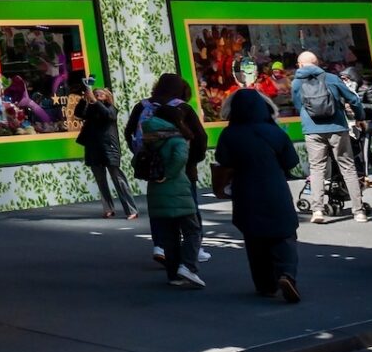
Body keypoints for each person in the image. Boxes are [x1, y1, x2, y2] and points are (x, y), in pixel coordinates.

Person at [212, 89, 302, 302]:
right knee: (285, 234)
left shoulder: (229, 134)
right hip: (275, 189)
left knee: (254, 239)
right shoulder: (275, 132)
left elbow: (223, 160)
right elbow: (291, 161)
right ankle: (287, 274)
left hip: (245, 191)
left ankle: (265, 285)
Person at [126, 74, 210, 265]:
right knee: (189, 208)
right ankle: (193, 250)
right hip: (184, 169)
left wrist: (141, 156)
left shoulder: (142, 106)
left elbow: (129, 131)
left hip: (153, 168)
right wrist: (193, 159)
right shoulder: (183, 107)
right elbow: (201, 137)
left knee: (158, 208)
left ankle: (160, 245)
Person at [291, 51, 369, 224]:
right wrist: (360, 117)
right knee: (348, 167)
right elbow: (353, 99)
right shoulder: (332, 78)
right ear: (317, 63)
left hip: (312, 130)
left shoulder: (297, 82)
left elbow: (298, 105)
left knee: (317, 169)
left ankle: (317, 210)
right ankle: (359, 211)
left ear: (301, 65)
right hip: (337, 128)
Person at [143, 109, 203, 289]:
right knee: (192, 230)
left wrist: (158, 176)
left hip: (156, 192)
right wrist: (168, 175)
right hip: (179, 191)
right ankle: (188, 266)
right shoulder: (176, 139)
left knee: (169, 236)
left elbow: (138, 161)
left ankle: (173, 274)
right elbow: (180, 158)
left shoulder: (149, 138)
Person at [76, 87, 137, 219]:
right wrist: (84, 99)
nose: (97, 96)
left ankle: (131, 209)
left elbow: (108, 115)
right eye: (95, 94)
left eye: (100, 95)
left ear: (107, 97)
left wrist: (94, 100)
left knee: (118, 178)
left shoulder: (110, 108)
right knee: (100, 179)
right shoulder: (91, 109)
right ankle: (108, 208)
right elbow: (79, 113)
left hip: (109, 147)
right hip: (93, 148)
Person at [340, 65, 372, 188]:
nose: (344, 81)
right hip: (350, 124)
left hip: (365, 123)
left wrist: (358, 106)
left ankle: (364, 178)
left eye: (346, 78)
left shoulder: (367, 88)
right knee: (362, 151)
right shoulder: (344, 90)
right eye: (342, 79)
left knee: (363, 153)